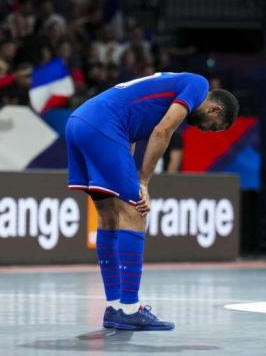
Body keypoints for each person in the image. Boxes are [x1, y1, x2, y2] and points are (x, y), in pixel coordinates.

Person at [66, 72, 239, 330]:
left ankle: (115, 307)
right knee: (136, 212)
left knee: (110, 217)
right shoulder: (198, 85)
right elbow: (162, 131)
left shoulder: (172, 87)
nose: (206, 131)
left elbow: (133, 132)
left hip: (79, 121)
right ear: (215, 109)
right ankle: (130, 308)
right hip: (103, 125)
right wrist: (143, 182)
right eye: (213, 126)